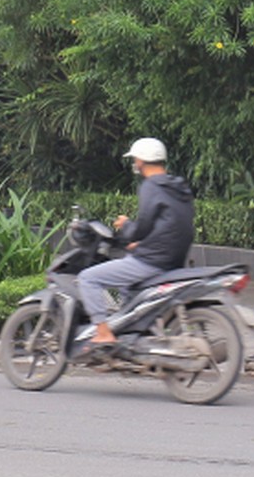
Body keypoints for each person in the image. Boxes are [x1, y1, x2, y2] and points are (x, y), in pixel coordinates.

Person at [76, 137, 195, 346]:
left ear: (141, 161)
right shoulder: (178, 187)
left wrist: (126, 226)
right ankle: (133, 335)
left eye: (136, 159)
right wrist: (139, 244)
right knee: (127, 286)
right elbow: (168, 225)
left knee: (88, 278)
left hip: (153, 261)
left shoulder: (151, 186)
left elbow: (144, 225)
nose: (135, 163)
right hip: (173, 259)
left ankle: (103, 333)